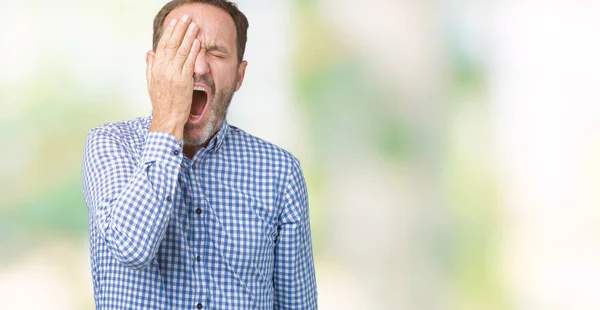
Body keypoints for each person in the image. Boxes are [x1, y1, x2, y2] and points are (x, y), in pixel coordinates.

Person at [81, 0, 318, 309]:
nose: (199, 66)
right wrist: (168, 120)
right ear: (153, 67)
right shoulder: (109, 145)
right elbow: (131, 246)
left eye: (217, 53)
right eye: (181, 50)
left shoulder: (280, 172)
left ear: (239, 76)